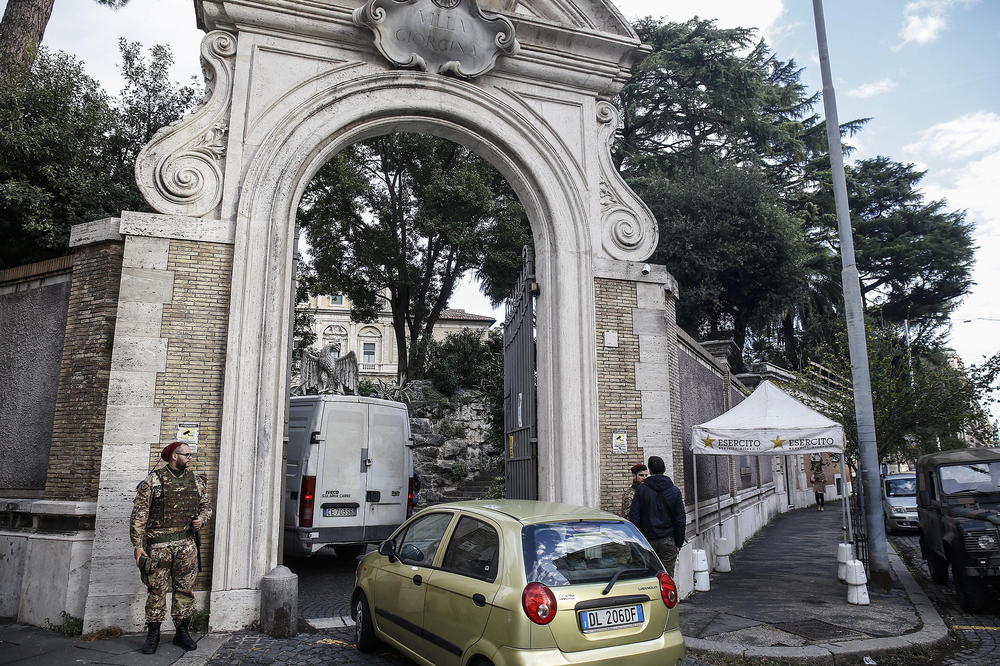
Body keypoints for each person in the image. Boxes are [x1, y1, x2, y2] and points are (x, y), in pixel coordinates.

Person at [131, 441, 212, 654]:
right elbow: (139, 515)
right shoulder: (153, 481)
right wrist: (138, 546)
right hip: (159, 545)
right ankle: (153, 633)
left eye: (190, 454)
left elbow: (206, 506)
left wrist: (201, 520)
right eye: (186, 454)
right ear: (174, 456)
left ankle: (182, 632)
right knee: (156, 590)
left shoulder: (195, 481)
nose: (190, 457)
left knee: (184, 589)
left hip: (186, 544)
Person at [628, 456, 686, 577]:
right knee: (666, 577)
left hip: (646, 540)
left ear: (650, 471)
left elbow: (634, 517)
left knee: (646, 577)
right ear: (664, 469)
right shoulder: (674, 491)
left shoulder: (642, 490)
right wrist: (679, 542)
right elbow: (680, 518)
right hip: (668, 540)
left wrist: (636, 540)